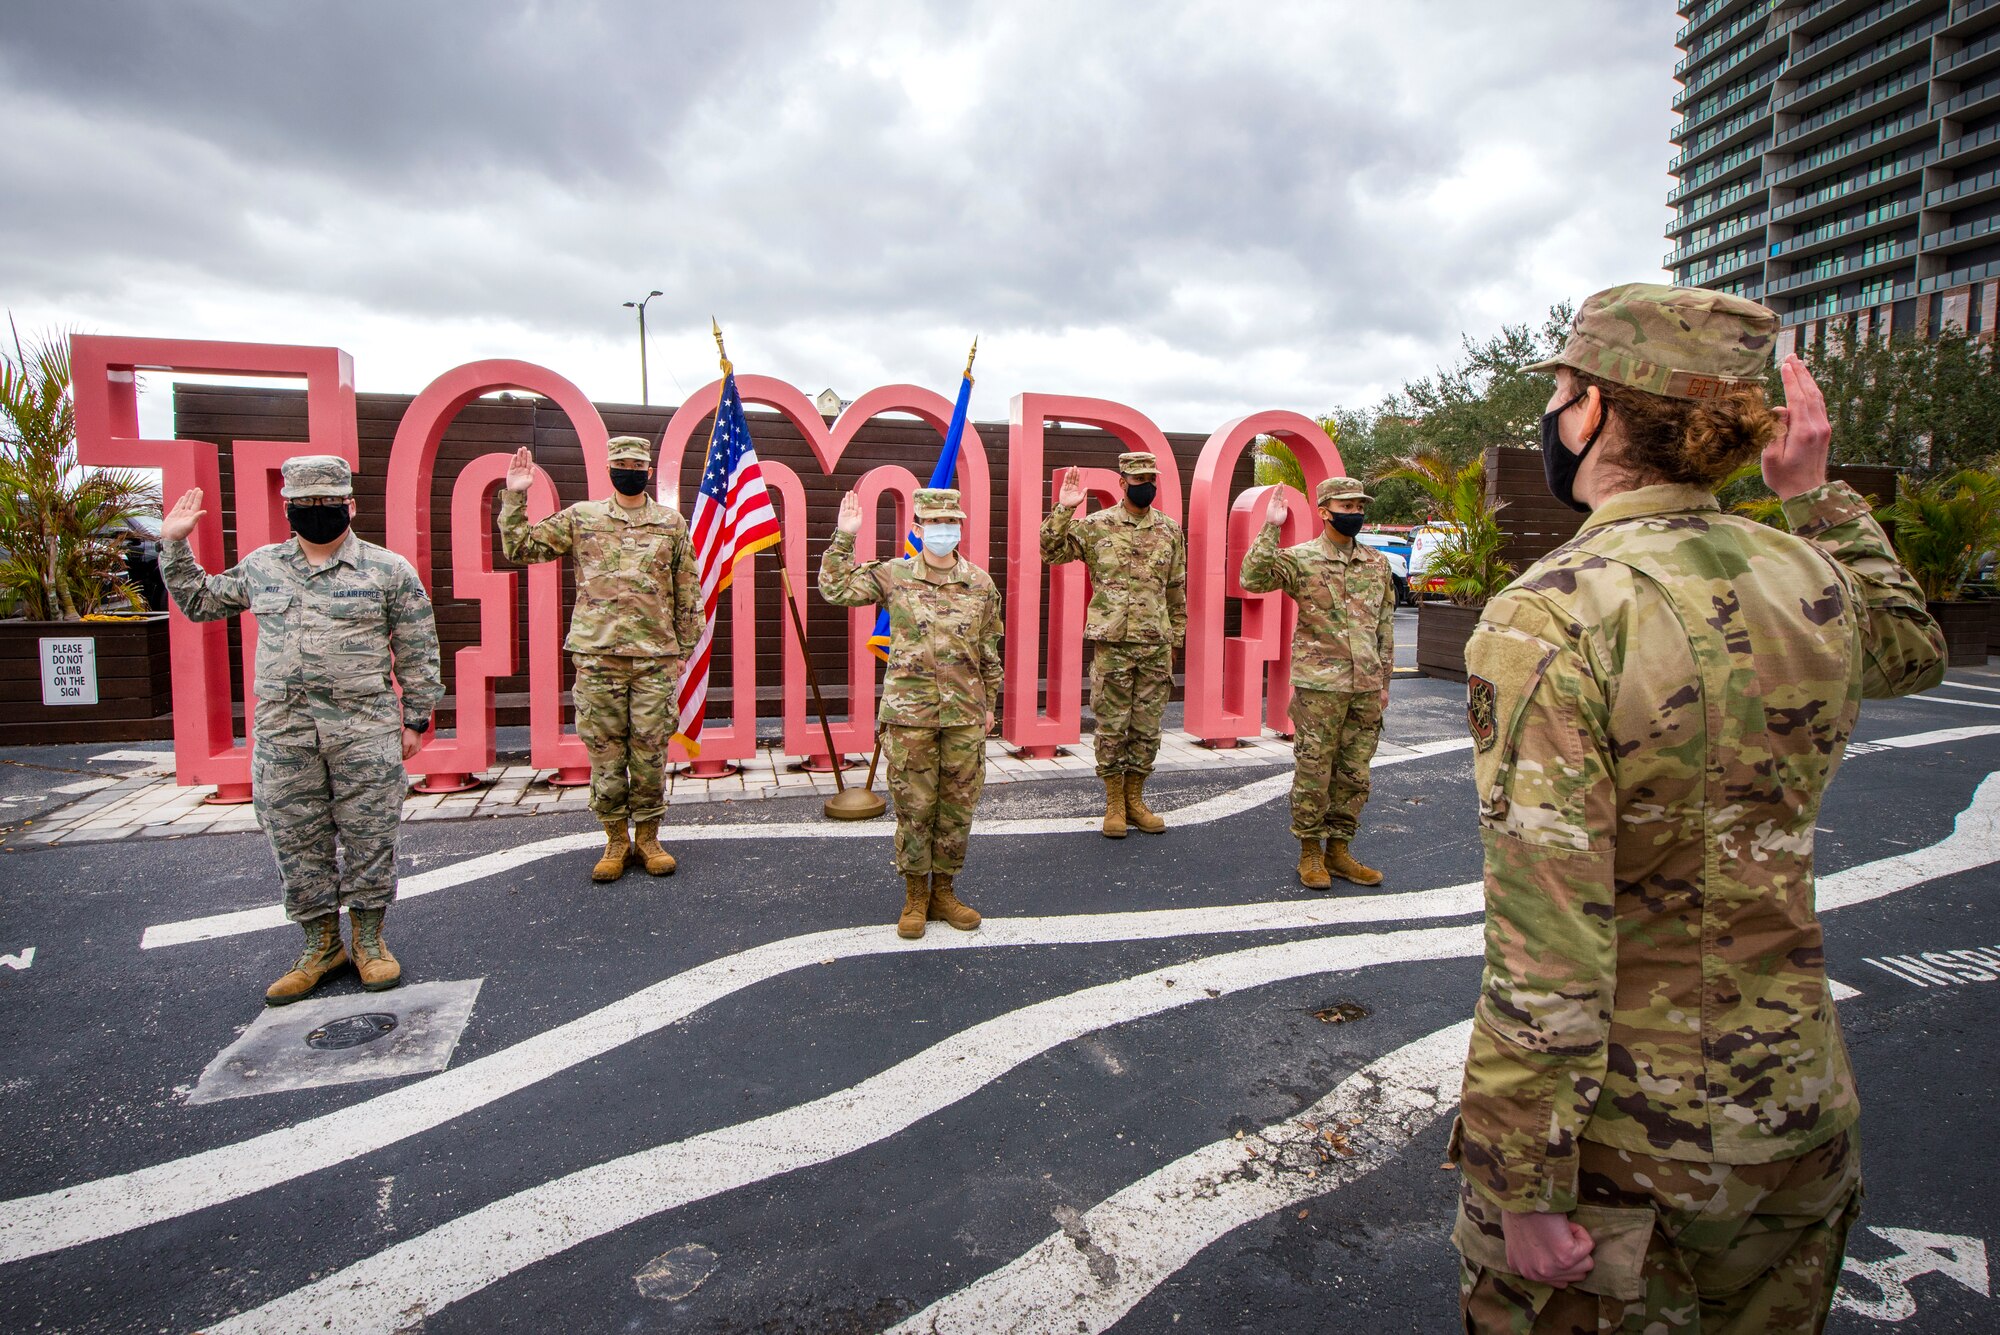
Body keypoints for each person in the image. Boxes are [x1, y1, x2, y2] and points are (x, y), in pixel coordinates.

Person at [1450, 284, 1946, 1333]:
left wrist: (1521, 1179)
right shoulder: (1804, 575)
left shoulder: (1553, 610)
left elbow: (1548, 936)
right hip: (1796, 1118)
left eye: (1562, 394)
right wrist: (1814, 495)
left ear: (1587, 410)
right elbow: (1911, 647)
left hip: (1630, 1145)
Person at [159, 457, 443, 1004]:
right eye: (305, 505)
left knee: (370, 836)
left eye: (328, 502)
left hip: (365, 731)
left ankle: (368, 941)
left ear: (350, 505)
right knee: (294, 839)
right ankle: (320, 945)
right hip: (284, 734)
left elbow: (417, 647)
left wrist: (416, 719)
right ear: (288, 508)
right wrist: (174, 544)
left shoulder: (388, 570)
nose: (317, 512)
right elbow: (198, 602)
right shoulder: (263, 566)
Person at [499, 435, 703, 882]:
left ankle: (648, 837)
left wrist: (683, 651)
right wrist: (516, 495)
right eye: (621, 463)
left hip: (654, 660)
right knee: (606, 752)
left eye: (636, 464)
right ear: (609, 468)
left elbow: (688, 590)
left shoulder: (670, 523)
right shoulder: (582, 517)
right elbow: (521, 549)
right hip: (598, 657)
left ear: (648, 472)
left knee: (650, 751)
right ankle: (615, 838)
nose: (628, 469)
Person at [819, 486, 1001, 938]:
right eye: (935, 524)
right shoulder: (894, 574)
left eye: (951, 523)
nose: (944, 531)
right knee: (914, 808)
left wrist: (989, 706)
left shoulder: (980, 583)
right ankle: (916, 895)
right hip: (909, 715)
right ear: (919, 528)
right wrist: (845, 538)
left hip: (963, 715)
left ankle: (945, 891)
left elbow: (988, 649)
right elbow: (834, 589)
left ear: (960, 527)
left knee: (957, 808)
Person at [1239, 477, 1395, 889]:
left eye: (1360, 506)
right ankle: (1310, 852)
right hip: (1319, 688)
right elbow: (1252, 579)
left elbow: (1383, 626)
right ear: (1325, 511)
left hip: (1364, 687)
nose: (1355, 514)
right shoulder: (1302, 559)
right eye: (1346, 507)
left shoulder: (1377, 563)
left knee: (1355, 773)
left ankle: (1339, 851)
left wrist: (1384, 682)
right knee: (1314, 770)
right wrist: (1271, 526)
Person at [1041, 453, 1187, 837]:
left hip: (1155, 643)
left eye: (1150, 478)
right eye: (1138, 479)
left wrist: (1177, 636)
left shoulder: (1170, 530)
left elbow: (1176, 588)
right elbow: (1051, 551)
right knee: (1111, 726)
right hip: (1113, 643)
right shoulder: (1096, 526)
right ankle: (1115, 804)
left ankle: (1137, 799)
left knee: (1148, 727)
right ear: (1122, 483)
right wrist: (1064, 509)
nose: (1146, 485)